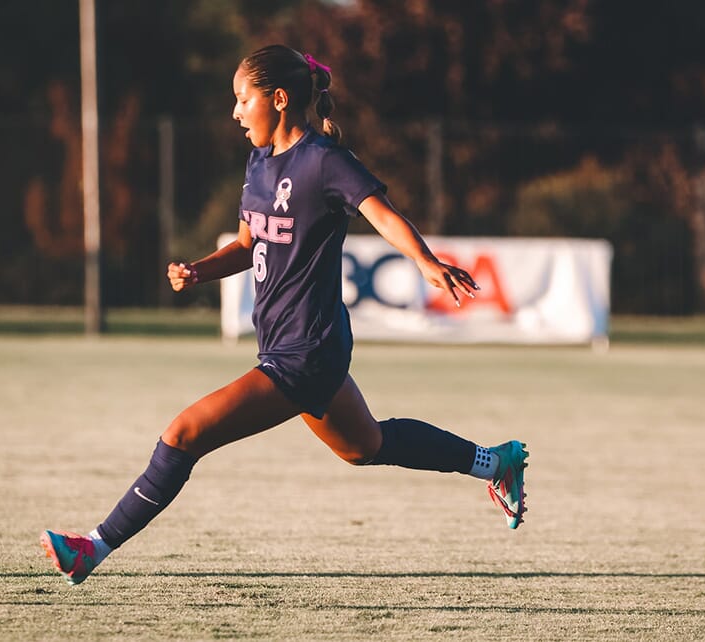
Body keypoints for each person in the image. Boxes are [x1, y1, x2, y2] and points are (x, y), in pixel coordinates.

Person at [41, 44, 528, 586]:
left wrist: (425, 261)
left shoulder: (324, 161)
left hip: (307, 352)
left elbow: (383, 216)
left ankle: (93, 548)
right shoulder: (257, 163)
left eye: (241, 99)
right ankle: (495, 462)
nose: (234, 112)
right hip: (288, 346)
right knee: (364, 447)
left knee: (182, 435)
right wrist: (199, 270)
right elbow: (249, 243)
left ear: (277, 99)